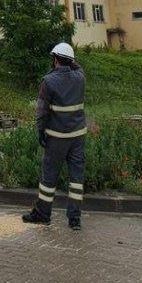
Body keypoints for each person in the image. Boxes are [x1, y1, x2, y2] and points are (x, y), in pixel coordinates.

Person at [22, 41, 86, 230]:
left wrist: (40, 131)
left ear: (55, 59)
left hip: (57, 137)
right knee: (76, 179)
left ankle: (43, 214)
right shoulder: (81, 77)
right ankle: (75, 219)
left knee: (49, 178)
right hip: (78, 137)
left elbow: (41, 112)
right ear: (71, 60)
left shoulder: (48, 81)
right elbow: (76, 66)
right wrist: (67, 56)